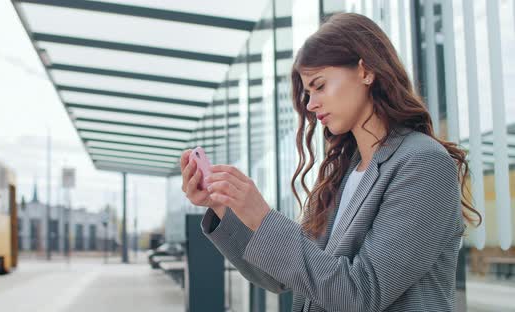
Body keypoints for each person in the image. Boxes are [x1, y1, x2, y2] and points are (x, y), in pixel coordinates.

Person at [180, 12, 480, 312]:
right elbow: (284, 277)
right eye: (308, 93)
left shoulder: (423, 164)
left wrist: (263, 218)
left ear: (365, 71)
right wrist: (222, 206)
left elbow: (362, 294)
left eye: (319, 86)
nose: (311, 105)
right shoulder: (342, 174)